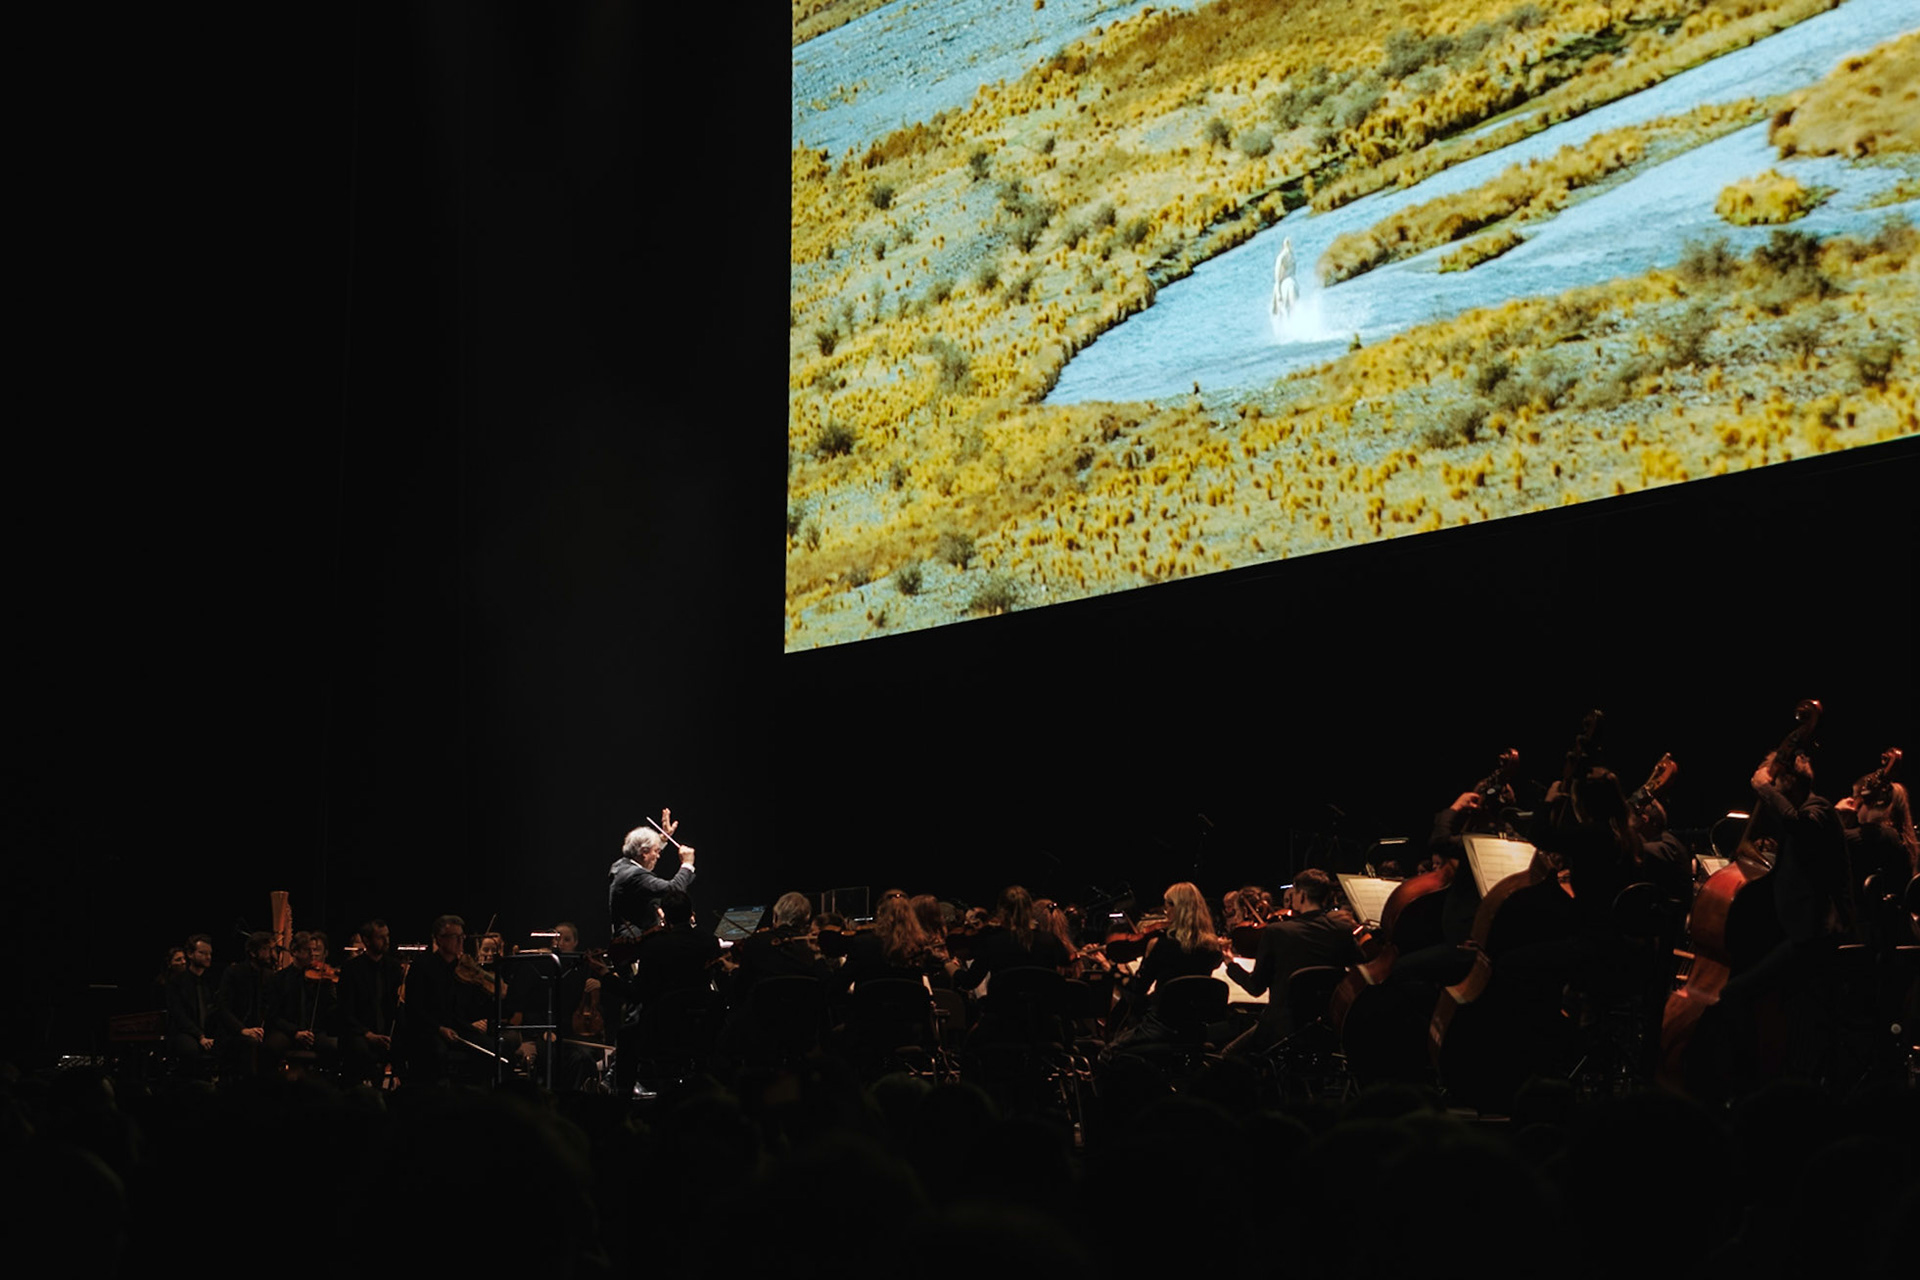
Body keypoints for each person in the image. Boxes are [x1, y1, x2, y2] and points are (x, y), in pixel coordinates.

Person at [1221, 869, 1363, 1043]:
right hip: (1326, 1030)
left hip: (1281, 1032)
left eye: (1294, 892)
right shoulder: (1342, 931)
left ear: (1302, 895)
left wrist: (1230, 964)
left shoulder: (1277, 932)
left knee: (1227, 1053)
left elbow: (1255, 988)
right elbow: (1361, 968)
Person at [1106, 882, 1224, 1054]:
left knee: (1108, 1053)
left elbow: (1138, 989)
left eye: (1168, 905)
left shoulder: (1160, 945)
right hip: (1196, 1029)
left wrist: (1113, 971)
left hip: (1161, 1026)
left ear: (1178, 908)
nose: (1165, 911)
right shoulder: (1213, 948)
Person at [609, 809, 697, 940]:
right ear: (644, 852)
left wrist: (663, 838)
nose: (658, 856)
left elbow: (645, 851)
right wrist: (687, 864)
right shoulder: (635, 875)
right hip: (636, 943)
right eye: (656, 851)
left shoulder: (621, 866)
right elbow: (674, 889)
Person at [340, 918, 402, 1084]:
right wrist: (368, 1034)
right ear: (366, 940)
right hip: (360, 1031)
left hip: (387, 1031)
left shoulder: (394, 967)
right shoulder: (351, 969)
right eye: (381, 937)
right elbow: (345, 1010)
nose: (386, 941)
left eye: (387, 936)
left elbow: (396, 1006)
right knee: (359, 1049)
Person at [165, 934, 219, 1073]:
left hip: (208, 1030)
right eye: (203, 953)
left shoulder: (212, 981)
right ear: (190, 954)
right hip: (186, 1031)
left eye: (210, 953)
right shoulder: (176, 982)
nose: (208, 957)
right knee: (189, 1049)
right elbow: (179, 1015)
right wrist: (200, 1036)